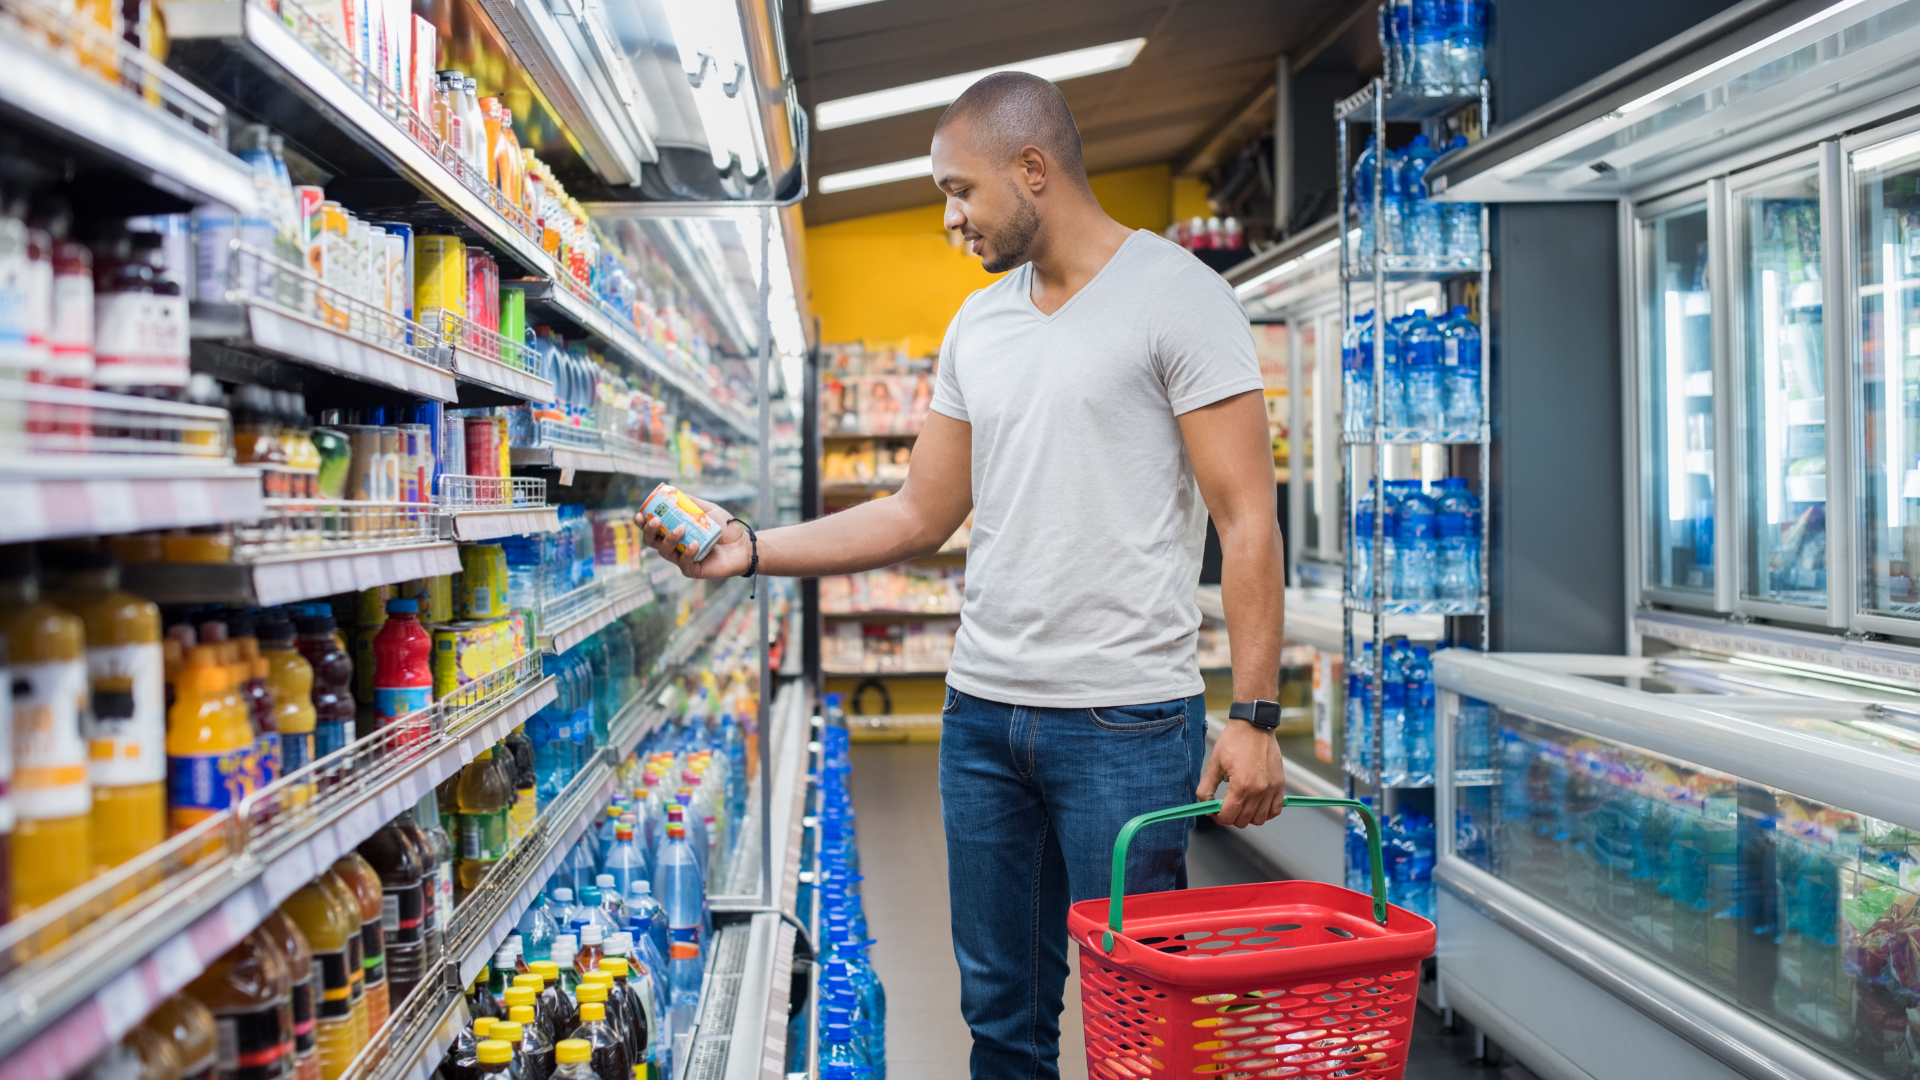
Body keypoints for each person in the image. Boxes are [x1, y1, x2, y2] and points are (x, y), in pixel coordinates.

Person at [638, 71, 1286, 1080]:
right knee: (1000, 1023)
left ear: (1034, 169)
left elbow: (1249, 516)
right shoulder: (978, 326)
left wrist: (1253, 714)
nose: (948, 219)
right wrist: (751, 548)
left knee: (1144, 1028)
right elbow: (915, 513)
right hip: (983, 718)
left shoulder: (1179, 298)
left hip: (1125, 724)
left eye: (959, 190)